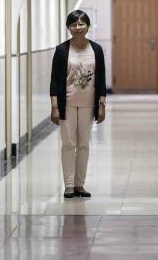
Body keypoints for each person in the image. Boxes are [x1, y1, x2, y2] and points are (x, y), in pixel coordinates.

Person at [49, 10, 106, 198]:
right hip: (67, 104)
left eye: (81, 24)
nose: (78, 28)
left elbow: (101, 78)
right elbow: (55, 80)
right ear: (69, 27)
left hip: (88, 104)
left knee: (83, 145)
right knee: (68, 144)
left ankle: (80, 185)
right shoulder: (62, 50)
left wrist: (102, 104)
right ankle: (69, 185)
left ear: (88, 26)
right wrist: (55, 106)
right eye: (74, 24)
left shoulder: (96, 49)